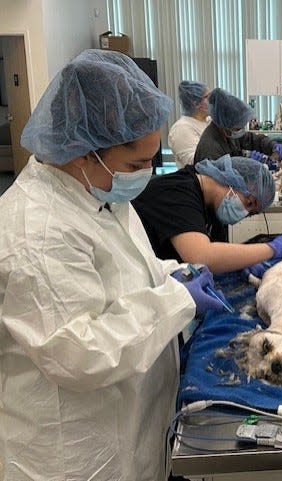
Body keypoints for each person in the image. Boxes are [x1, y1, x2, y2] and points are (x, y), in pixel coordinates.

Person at [0, 49, 228, 481]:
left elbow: (132, 271)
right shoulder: (37, 230)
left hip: (131, 429)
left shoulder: (98, 192)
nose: (145, 175)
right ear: (84, 151)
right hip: (72, 454)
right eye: (136, 165)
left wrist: (175, 275)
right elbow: (77, 352)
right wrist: (178, 301)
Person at [132, 154, 282, 274]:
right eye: (249, 203)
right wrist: (272, 249)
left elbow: (218, 253)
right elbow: (202, 256)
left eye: (250, 213)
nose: (244, 213)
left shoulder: (212, 208)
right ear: (233, 178)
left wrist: (240, 262)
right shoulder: (177, 192)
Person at [193, 87, 282, 168]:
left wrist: (271, 145)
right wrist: (248, 164)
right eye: (238, 127)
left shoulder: (228, 134)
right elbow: (220, 180)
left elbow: (251, 139)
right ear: (225, 125)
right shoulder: (210, 148)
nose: (241, 130)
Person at [168, 80, 211, 168]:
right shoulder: (182, 128)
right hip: (197, 180)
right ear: (195, 103)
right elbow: (195, 163)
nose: (212, 100)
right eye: (208, 97)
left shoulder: (209, 121)